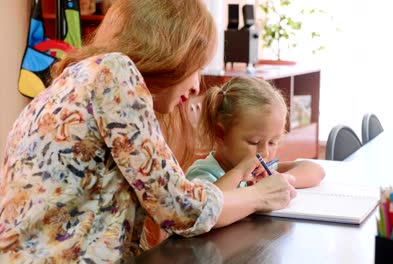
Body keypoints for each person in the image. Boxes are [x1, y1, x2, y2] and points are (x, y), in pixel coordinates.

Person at [0, 0, 296, 262]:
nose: (196, 86)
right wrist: (261, 196)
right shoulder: (114, 73)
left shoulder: (80, 76)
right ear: (170, 51)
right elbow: (183, 209)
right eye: (195, 68)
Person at [186, 76, 325, 190]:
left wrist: (286, 179)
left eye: (272, 142)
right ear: (221, 134)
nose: (264, 153)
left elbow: (317, 171)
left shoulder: (260, 170)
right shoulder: (203, 173)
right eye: (254, 142)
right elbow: (206, 205)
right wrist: (239, 174)